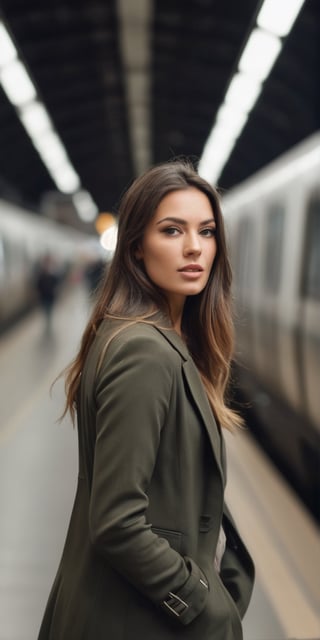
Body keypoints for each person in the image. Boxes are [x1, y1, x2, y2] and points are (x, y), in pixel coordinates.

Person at [38, 161, 254, 640]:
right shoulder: (144, 352)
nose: (195, 247)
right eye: (172, 230)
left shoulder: (157, 337)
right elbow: (116, 522)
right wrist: (199, 601)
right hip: (133, 620)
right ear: (136, 246)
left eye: (207, 231)